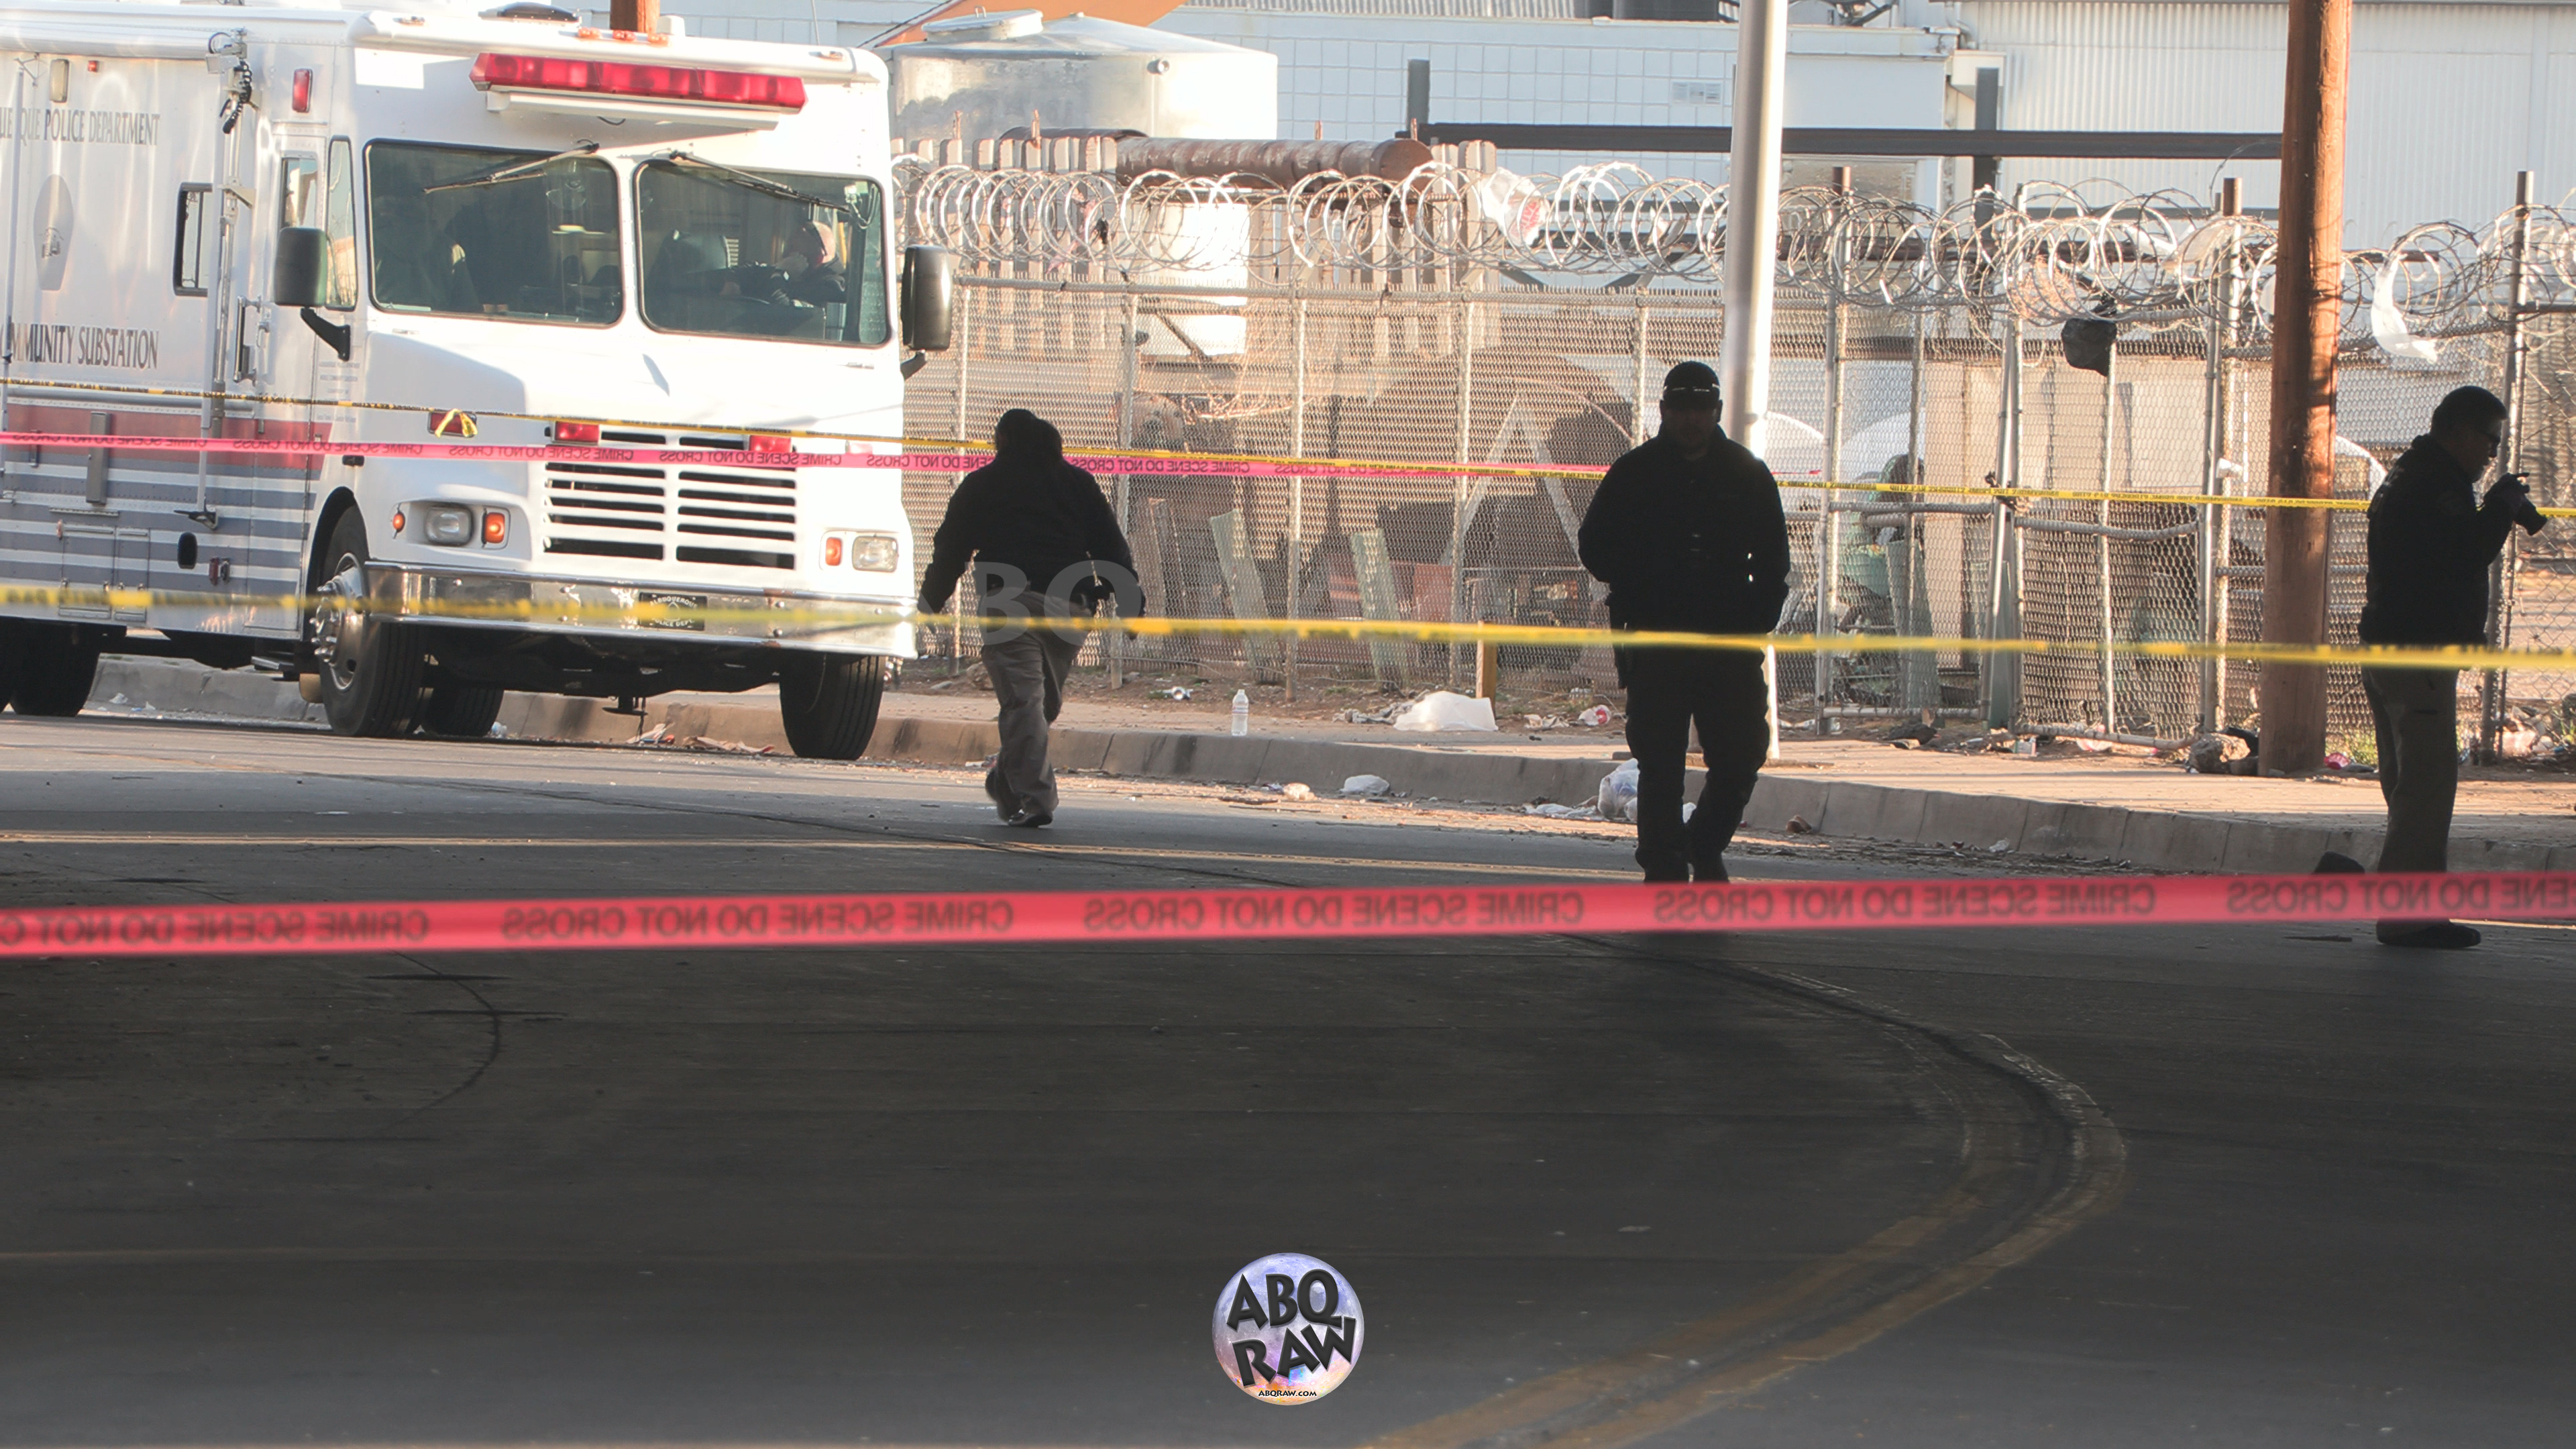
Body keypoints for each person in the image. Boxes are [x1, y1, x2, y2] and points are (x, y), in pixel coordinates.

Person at [2320, 384, 2545, 947]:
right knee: (2426, 787)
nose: (2491, 453)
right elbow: (2465, 552)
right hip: (2416, 654)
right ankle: (2409, 916)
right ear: (2460, 432)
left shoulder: (2411, 475)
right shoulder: (2434, 483)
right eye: (2489, 441)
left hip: (2392, 647)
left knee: (2408, 784)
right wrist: (2501, 507)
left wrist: (2493, 505)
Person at [1578, 362, 1792, 883]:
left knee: (1741, 754)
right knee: (1661, 762)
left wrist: (1756, 616)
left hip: (1727, 638)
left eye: (1701, 409)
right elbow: (1595, 546)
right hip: (1657, 637)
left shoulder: (1745, 473)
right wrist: (1643, 580)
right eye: (1681, 409)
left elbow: (1773, 558)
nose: (1691, 420)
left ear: (1715, 411)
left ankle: (1703, 842)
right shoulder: (1636, 473)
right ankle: (1664, 864)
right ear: (1664, 411)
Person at [918, 410, 1138, 828]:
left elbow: (951, 550)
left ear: (1003, 440)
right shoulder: (1078, 484)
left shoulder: (983, 485)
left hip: (1010, 603)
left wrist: (930, 600)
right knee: (1036, 706)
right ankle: (1031, 795)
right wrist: (1129, 602)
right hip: (1069, 608)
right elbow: (1112, 546)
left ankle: (1016, 786)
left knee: (1029, 705)